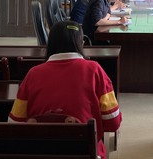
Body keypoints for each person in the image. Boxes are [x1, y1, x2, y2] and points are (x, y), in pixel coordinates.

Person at [8, 21, 121, 159]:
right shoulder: (95, 70)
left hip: (40, 153)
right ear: (82, 44)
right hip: (86, 153)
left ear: (49, 45)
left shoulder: (33, 73)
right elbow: (113, 122)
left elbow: (15, 124)